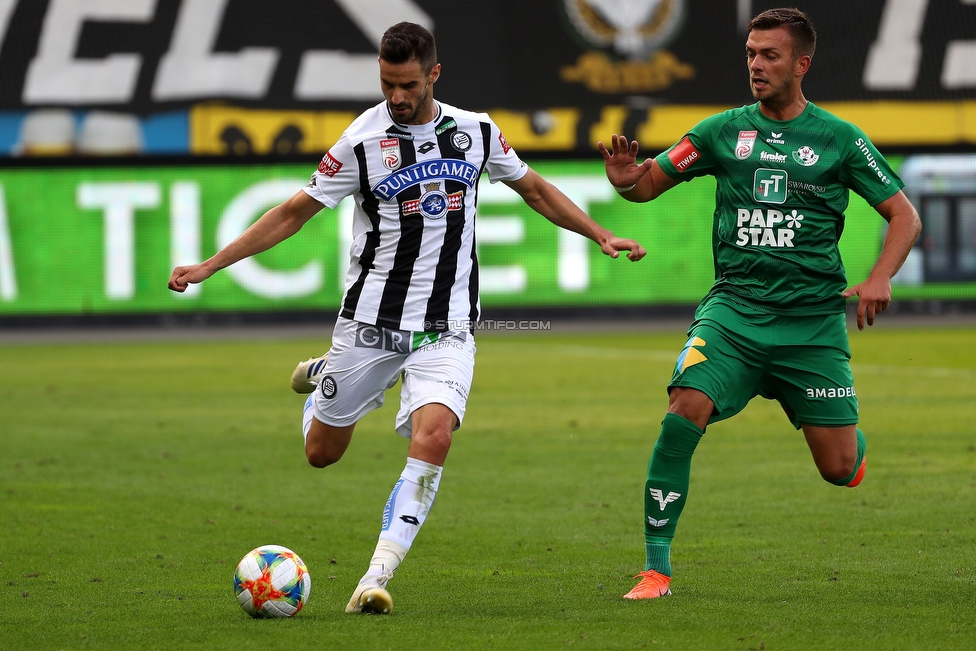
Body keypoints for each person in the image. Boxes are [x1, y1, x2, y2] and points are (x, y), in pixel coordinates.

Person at [169, 21, 646, 614]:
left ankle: (374, 577)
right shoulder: (361, 141)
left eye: (408, 85)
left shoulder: (477, 133)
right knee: (322, 453)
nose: (396, 97)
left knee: (435, 434)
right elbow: (293, 213)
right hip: (370, 324)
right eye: (388, 83)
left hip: (448, 327)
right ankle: (324, 379)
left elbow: (536, 190)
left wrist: (600, 233)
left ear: (434, 76)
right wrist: (211, 265)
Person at [599, 7, 921, 600]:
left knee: (839, 470)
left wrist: (880, 276)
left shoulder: (840, 139)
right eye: (750, 53)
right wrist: (625, 179)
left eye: (769, 55)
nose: (755, 65)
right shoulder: (721, 132)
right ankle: (656, 569)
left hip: (811, 327)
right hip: (735, 315)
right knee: (683, 406)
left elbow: (904, 214)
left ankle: (847, 442)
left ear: (802, 64)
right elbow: (646, 185)